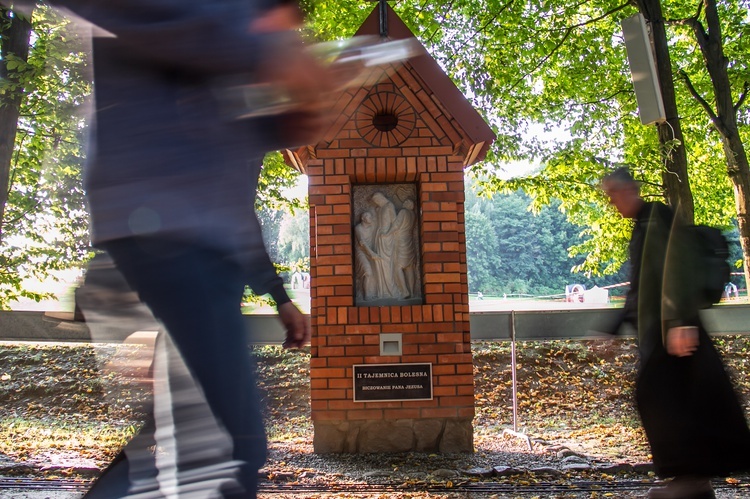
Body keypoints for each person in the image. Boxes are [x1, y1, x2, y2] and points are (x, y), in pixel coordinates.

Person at [44, 1, 332, 497]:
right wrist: (262, 48)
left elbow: (232, 176)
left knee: (192, 442)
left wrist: (292, 115)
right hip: (163, 231)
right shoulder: (229, 24)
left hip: (196, 243)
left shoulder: (235, 38)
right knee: (228, 449)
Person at [600, 167, 750, 499]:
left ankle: (689, 480)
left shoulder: (658, 217)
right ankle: (694, 481)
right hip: (664, 332)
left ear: (630, 190)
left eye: (612, 194)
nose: (611, 202)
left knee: (663, 399)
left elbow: (678, 266)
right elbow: (639, 287)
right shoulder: (643, 226)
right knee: (684, 401)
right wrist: (612, 330)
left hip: (677, 331)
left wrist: (681, 322)